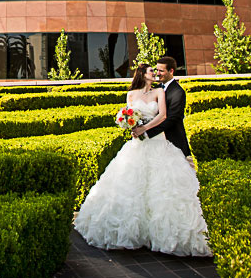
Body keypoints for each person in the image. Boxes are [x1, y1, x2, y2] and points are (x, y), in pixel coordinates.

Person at [73, 58, 212, 257]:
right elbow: (127, 114)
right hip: (137, 143)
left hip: (156, 141)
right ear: (142, 74)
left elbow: (164, 116)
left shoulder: (160, 92)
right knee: (129, 184)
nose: (155, 74)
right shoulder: (131, 94)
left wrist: (145, 128)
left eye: (157, 71)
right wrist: (130, 125)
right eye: (151, 71)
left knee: (161, 186)